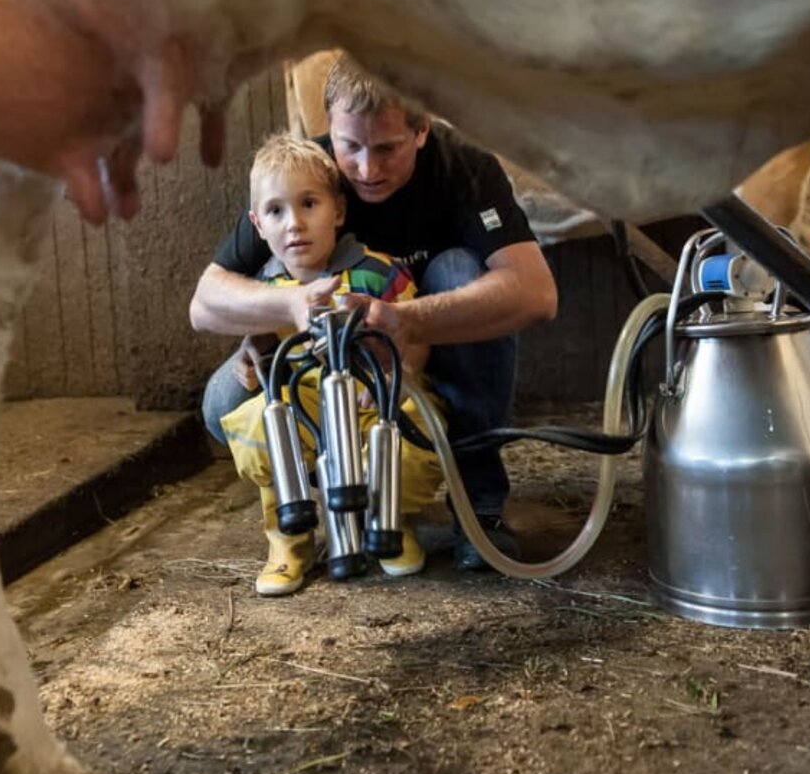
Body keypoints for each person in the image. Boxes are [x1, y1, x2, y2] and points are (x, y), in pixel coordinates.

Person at [191, 53, 558, 570]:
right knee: (224, 400)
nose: (366, 169)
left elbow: (536, 293)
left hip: (428, 365)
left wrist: (406, 321)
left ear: (422, 128)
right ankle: (348, 500)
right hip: (329, 373)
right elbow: (204, 302)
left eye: (387, 148)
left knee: (458, 269)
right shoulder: (309, 177)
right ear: (330, 131)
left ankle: (479, 506)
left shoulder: (466, 169)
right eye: (351, 147)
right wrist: (285, 304)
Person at [216, 132, 444, 596]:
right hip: (302, 404)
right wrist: (247, 358)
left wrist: (399, 376)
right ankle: (290, 541)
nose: (294, 224)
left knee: (415, 432)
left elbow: (415, 334)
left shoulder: (377, 271)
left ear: (337, 211)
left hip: (367, 399)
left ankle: (392, 525)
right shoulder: (265, 288)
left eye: (308, 205)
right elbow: (255, 344)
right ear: (258, 226)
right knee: (261, 427)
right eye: (277, 212)